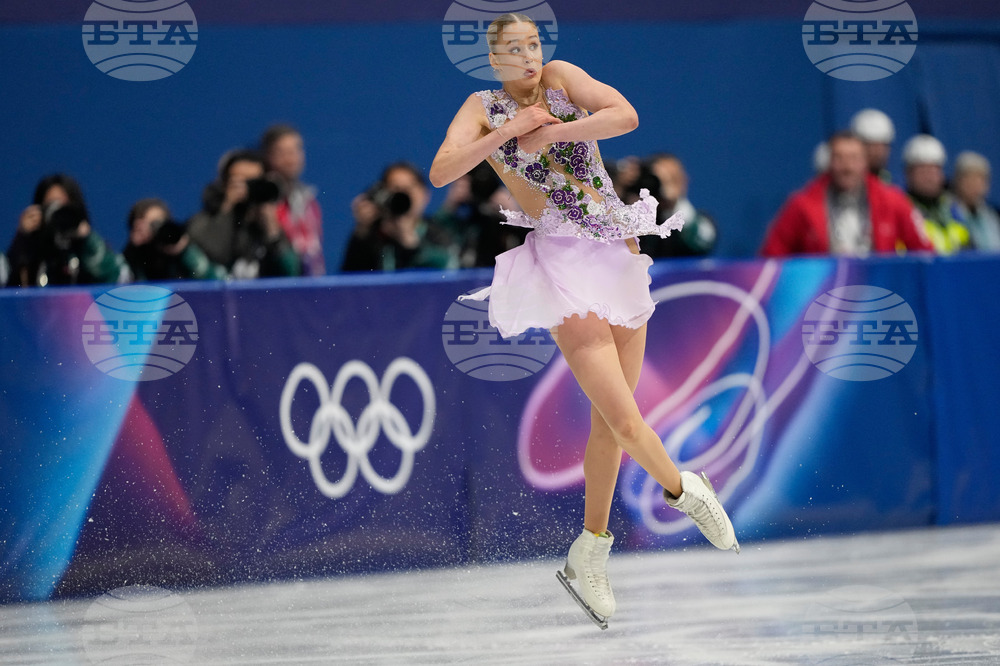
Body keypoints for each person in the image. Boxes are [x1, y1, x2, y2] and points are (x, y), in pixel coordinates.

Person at [429, 12, 738, 630]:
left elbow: (626, 116)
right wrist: (511, 131)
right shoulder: (483, 106)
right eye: (513, 49)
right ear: (494, 61)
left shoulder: (564, 81)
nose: (527, 55)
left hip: (616, 250)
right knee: (626, 417)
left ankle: (588, 552)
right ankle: (685, 490)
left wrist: (550, 136)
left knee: (608, 427)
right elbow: (442, 171)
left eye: (534, 43)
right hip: (561, 262)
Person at [761, 131, 933, 257]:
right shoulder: (802, 204)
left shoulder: (893, 200)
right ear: (829, 162)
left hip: (880, 292)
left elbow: (925, 253)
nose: (847, 167)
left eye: (854, 158)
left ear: (865, 162)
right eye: (839, 158)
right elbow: (772, 256)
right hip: (824, 296)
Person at [187, 150, 301, 278]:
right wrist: (226, 209)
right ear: (224, 184)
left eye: (253, 182)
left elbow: (290, 273)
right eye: (239, 182)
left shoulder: (266, 224)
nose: (247, 189)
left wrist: (272, 230)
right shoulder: (202, 222)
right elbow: (209, 255)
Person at [6, 174, 127, 287]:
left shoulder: (87, 244)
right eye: (51, 204)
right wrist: (22, 237)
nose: (58, 211)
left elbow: (113, 278)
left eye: (63, 205)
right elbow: (10, 282)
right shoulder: (31, 247)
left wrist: (87, 239)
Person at [341, 162, 458, 272]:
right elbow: (350, 282)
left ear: (425, 194)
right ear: (383, 195)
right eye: (396, 189)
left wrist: (409, 242)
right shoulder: (372, 235)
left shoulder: (437, 233)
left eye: (409, 189)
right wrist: (361, 232)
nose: (403, 196)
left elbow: (447, 273)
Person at [261, 124, 326, 276]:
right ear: (268, 156)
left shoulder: (308, 200)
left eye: (295, 150)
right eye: (282, 152)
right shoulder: (262, 201)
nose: (290, 159)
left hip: (309, 289)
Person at [122, 198, 226, 282]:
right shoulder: (134, 256)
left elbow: (218, 280)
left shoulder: (184, 250)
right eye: (148, 225)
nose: (154, 230)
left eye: (158, 223)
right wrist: (134, 249)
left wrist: (184, 251)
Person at [635, 153, 717, 258]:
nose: (665, 184)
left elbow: (704, 242)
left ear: (684, 181)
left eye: (673, 179)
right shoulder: (634, 215)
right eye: (659, 178)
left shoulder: (698, 221)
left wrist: (673, 204)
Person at [901, 134, 971, 254]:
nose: (929, 177)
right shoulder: (902, 209)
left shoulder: (953, 209)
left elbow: (972, 252)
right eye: (923, 171)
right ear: (909, 174)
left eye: (934, 170)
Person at [951, 151, 1000, 252]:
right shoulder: (947, 214)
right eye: (970, 180)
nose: (976, 187)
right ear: (958, 182)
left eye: (980, 180)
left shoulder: (993, 216)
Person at [850, 108, 896, 182]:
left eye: (884, 145)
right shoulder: (847, 184)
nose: (879, 152)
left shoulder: (889, 183)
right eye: (873, 146)